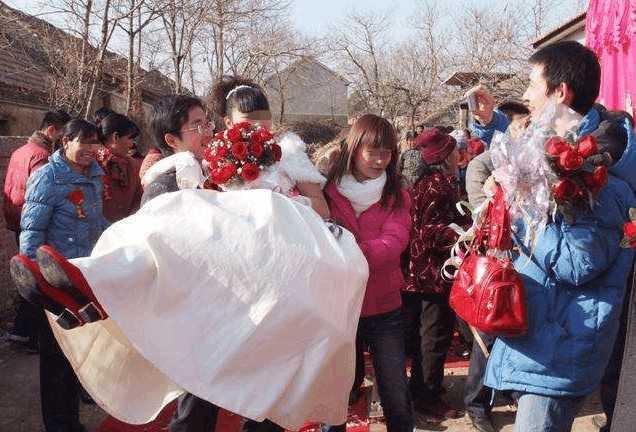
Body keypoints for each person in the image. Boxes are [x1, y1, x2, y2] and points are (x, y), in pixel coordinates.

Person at [11, 94, 368, 432]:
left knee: (237, 385)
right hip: (192, 296)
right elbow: (160, 238)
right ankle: (85, 284)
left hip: (227, 296)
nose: (209, 131)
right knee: (199, 392)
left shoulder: (230, 164)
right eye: (198, 125)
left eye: (207, 123)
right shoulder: (169, 175)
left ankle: (90, 286)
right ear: (173, 138)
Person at [464, 40, 636, 432]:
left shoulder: (596, 175)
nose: (525, 95)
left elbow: (580, 262)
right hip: (542, 334)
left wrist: (520, 212)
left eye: (532, 83)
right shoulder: (543, 155)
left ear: (560, 92)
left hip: (560, 343)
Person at [11, 118, 106, 432]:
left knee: (79, 351)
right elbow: (32, 231)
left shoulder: (94, 175)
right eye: (85, 142)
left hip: (83, 276)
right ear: (66, 141)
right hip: (54, 282)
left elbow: (96, 222)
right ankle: (59, 424)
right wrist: (36, 280)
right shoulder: (47, 177)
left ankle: (72, 419)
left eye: (96, 143)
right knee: (55, 356)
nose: (92, 149)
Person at [324, 114, 414, 432]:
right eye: (372, 151)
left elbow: (393, 242)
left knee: (395, 392)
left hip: (384, 308)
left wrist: (345, 250)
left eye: (386, 152)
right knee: (334, 394)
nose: (379, 160)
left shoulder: (397, 195)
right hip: (338, 308)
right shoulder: (326, 192)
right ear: (354, 148)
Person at [401, 128, 468, 422]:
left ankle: (422, 390)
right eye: (454, 151)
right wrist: (463, 233)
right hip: (432, 274)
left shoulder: (424, 181)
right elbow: (426, 232)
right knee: (434, 337)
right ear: (443, 156)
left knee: (423, 337)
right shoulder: (437, 185)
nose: (458, 155)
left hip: (415, 272)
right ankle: (427, 398)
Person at [210, 76, 330, 218]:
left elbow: (322, 208)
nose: (259, 122)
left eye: (264, 115)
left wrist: (281, 204)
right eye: (250, 116)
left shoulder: (288, 150)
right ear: (229, 122)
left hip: (290, 230)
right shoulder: (220, 155)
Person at [3, 109, 70, 348]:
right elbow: (41, 197)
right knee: (39, 277)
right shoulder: (42, 157)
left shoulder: (21, 151)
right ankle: (27, 333)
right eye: (63, 135)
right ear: (52, 130)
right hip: (33, 223)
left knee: (30, 274)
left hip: (16, 219)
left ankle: (23, 332)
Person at [98, 113, 143, 222]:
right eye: (130, 138)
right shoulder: (92, 164)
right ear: (115, 137)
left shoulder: (133, 165)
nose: (132, 144)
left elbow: (138, 199)